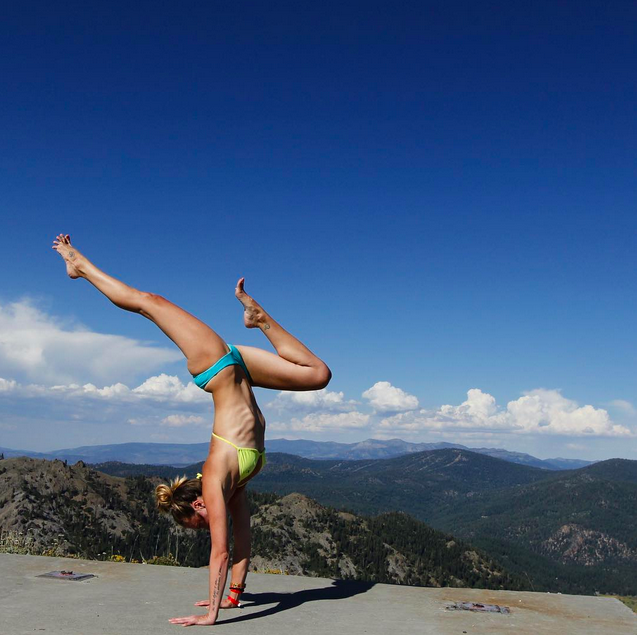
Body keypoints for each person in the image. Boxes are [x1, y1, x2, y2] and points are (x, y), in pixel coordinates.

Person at [52, 234, 331, 626]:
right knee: (318, 375)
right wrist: (232, 597)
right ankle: (260, 319)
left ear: (199, 505)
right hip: (240, 368)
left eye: (199, 521)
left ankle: (79, 265)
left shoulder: (217, 481)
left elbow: (220, 551)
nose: (209, 524)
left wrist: (211, 616)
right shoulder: (233, 486)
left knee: (149, 302)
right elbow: (242, 542)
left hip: (215, 363)